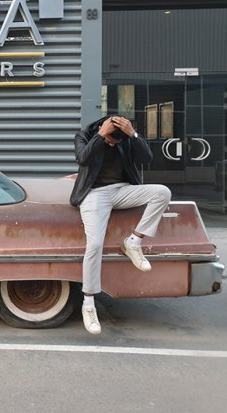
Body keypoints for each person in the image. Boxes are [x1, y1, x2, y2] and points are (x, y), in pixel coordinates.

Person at [70, 114, 171, 334]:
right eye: (110, 140)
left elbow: (146, 158)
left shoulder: (126, 138)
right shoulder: (85, 135)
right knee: (94, 245)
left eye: (116, 142)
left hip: (122, 190)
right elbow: (83, 159)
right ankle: (89, 304)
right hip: (94, 194)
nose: (112, 144)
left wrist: (133, 134)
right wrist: (100, 137)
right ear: (103, 128)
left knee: (162, 192)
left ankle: (133, 242)